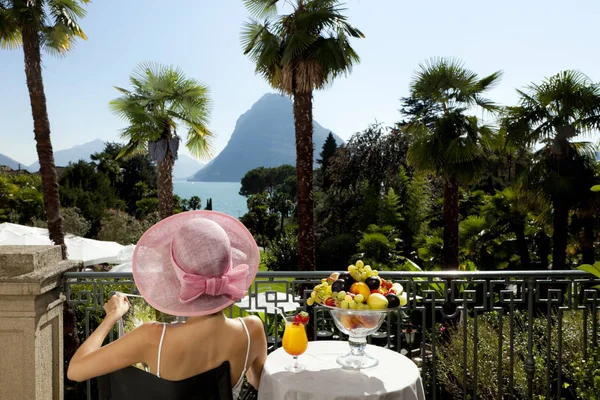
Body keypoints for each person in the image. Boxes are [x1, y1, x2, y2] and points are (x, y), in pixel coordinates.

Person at [67, 211, 267, 400]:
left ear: (174, 277)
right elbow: (259, 382)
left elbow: (75, 370)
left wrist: (112, 316)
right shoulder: (252, 330)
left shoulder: (153, 337)